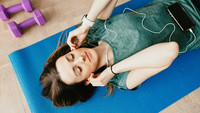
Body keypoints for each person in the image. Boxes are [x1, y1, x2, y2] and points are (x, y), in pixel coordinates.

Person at [40, 0, 200, 107]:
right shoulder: (123, 79)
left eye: (71, 57)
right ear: (86, 81)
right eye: (78, 69)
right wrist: (112, 70)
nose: (80, 58)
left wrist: (86, 23)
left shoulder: (95, 31)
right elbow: (170, 50)